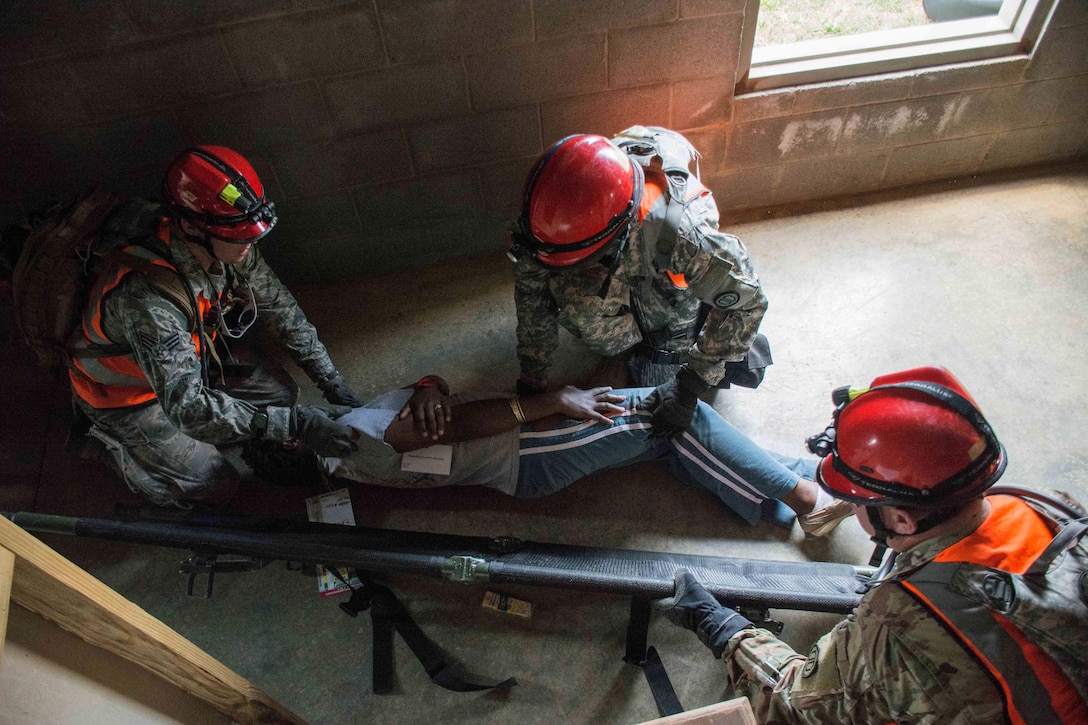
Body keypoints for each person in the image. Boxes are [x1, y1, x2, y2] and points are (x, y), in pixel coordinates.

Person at [653, 366, 1088, 723]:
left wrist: (722, 627)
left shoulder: (901, 626)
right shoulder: (1043, 509)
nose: (847, 505)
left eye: (855, 500)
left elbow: (798, 705)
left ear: (900, 518)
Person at [68, 145, 363, 508]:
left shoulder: (227, 246)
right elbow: (187, 408)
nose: (250, 245)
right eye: (239, 237)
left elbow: (281, 310)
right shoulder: (148, 302)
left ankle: (224, 429)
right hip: (126, 399)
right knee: (215, 483)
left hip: (189, 362)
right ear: (192, 227)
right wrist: (296, 425)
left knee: (282, 397)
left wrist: (331, 381)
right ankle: (116, 449)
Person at [305, 374, 853, 536]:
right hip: (530, 448)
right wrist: (554, 401)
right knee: (670, 412)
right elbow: (461, 423)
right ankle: (806, 499)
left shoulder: (344, 437)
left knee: (665, 440)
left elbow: (432, 402)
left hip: (524, 455)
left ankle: (789, 491)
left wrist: (428, 385)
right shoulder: (355, 442)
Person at [508, 126, 769, 437]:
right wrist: (532, 379)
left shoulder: (682, 236)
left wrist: (690, 387)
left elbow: (748, 302)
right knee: (585, 311)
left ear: (613, 237)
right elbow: (532, 297)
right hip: (626, 246)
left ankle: (697, 325)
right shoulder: (542, 226)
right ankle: (635, 344)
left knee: (654, 388)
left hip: (669, 272)